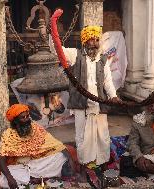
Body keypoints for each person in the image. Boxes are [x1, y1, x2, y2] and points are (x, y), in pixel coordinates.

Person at [50, 26, 121, 176]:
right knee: (82, 136)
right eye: (91, 39)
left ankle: (101, 162)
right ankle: (83, 164)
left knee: (102, 135)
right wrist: (53, 33)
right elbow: (57, 50)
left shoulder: (103, 59)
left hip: (99, 102)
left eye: (97, 40)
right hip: (81, 103)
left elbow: (107, 81)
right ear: (84, 41)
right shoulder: (75, 54)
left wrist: (113, 95)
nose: (94, 43)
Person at [0, 104, 75, 189]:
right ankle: (37, 177)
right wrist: (9, 178)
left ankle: (33, 178)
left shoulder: (35, 128)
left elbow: (56, 144)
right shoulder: (8, 135)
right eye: (23, 117)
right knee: (4, 180)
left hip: (38, 163)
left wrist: (70, 159)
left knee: (60, 156)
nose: (27, 119)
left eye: (27, 116)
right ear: (15, 121)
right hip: (21, 166)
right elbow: (1, 159)